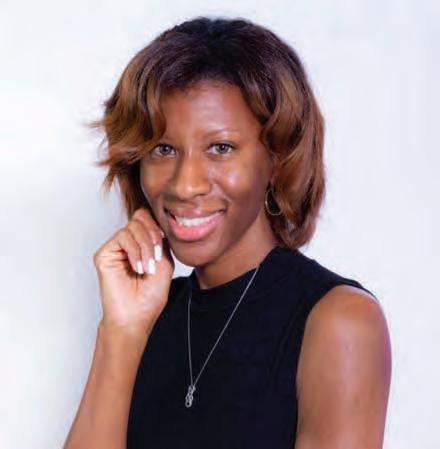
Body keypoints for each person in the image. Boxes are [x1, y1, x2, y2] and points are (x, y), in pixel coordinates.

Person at [63, 16, 391, 449]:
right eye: (163, 149)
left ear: (277, 160)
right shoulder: (144, 316)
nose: (185, 185)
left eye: (220, 148)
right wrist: (121, 331)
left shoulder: (338, 322)